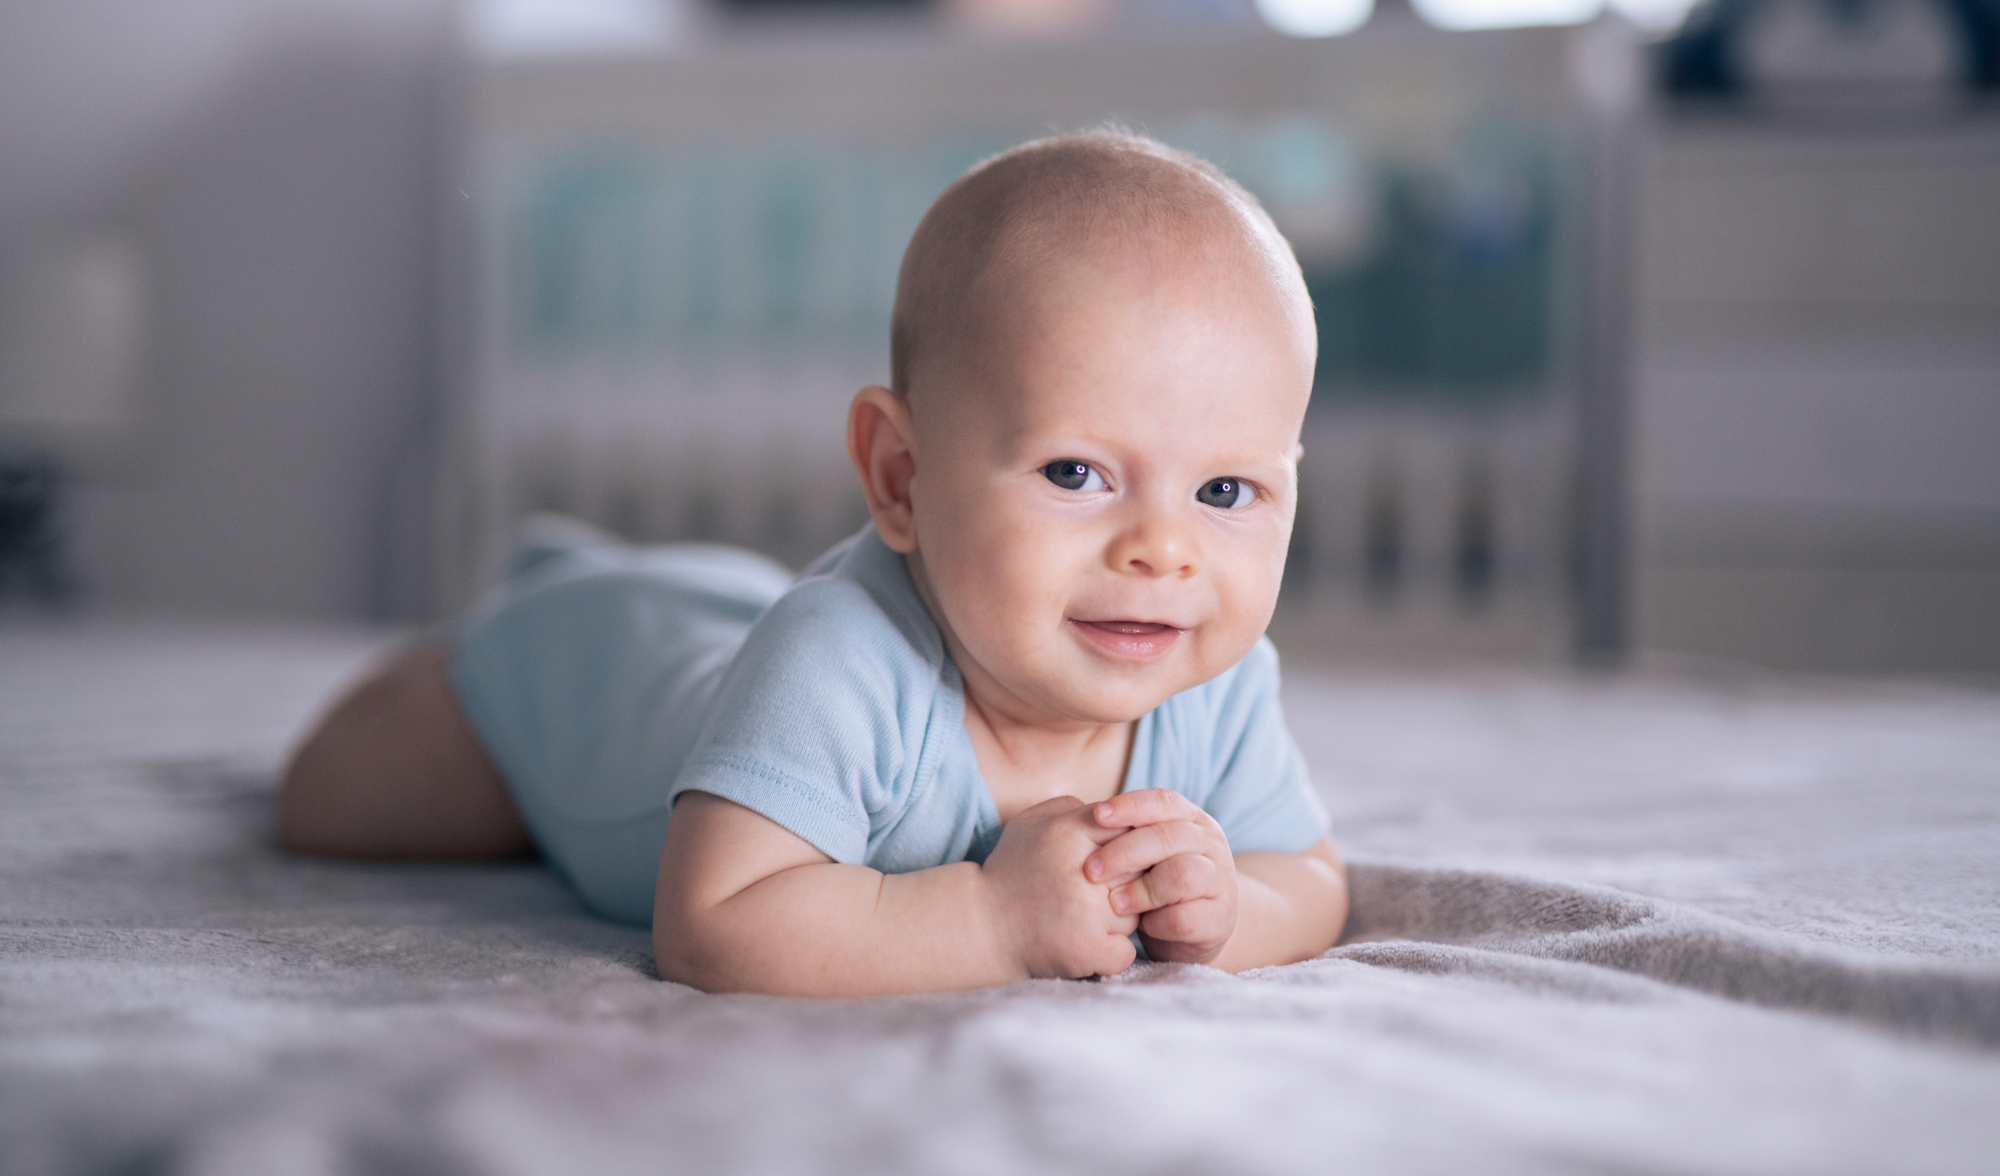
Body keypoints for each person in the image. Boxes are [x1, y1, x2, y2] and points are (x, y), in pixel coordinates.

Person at [279, 128, 1349, 997]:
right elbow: (713, 923)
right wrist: (990, 918)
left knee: (739, 623)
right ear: (897, 477)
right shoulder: (837, 661)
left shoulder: (1214, 684)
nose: (1161, 550)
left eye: (1223, 492)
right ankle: (503, 621)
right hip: (579, 689)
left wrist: (1224, 909)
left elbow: (1305, 876)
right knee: (330, 805)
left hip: (732, 628)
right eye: (1075, 474)